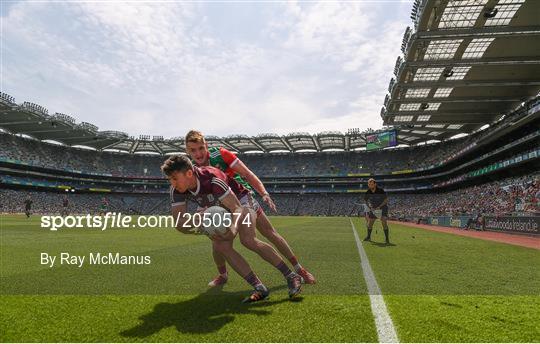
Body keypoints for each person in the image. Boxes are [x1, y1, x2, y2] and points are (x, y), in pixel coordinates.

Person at [161, 155, 302, 302]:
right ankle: (260, 288)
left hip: (241, 202)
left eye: (175, 178)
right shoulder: (176, 190)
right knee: (221, 246)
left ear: (189, 173)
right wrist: (202, 226)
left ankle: (292, 276)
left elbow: (236, 208)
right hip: (217, 208)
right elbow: (179, 223)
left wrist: (234, 227)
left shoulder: (212, 179)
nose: (172, 183)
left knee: (248, 240)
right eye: (170, 179)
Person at [184, 130, 316, 287]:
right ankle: (223, 275)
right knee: (217, 242)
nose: (198, 153)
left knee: (265, 234)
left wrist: (264, 193)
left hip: (243, 197)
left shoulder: (220, 155)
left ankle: (299, 270)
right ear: (187, 151)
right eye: (193, 150)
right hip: (222, 204)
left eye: (201, 148)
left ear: (206, 145)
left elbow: (247, 173)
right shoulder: (191, 170)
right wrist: (201, 211)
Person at [364, 178, 391, 244]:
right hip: (374, 209)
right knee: (370, 224)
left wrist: (379, 207)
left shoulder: (380, 190)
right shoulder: (368, 192)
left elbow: (386, 200)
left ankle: (387, 239)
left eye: (371, 184)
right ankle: (368, 237)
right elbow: (365, 200)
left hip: (382, 208)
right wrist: (370, 207)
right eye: (369, 184)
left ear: (375, 184)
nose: (370, 185)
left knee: (384, 221)